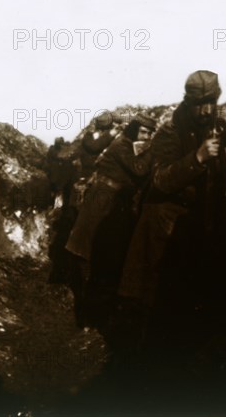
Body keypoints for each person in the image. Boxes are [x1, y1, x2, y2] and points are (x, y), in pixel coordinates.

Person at [119, 71, 226, 371]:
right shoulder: (170, 132)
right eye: (200, 104)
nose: (206, 110)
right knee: (156, 304)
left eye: (211, 103)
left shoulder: (215, 125)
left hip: (198, 225)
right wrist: (197, 159)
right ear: (188, 102)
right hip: (165, 229)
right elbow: (160, 181)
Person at [65, 114, 156, 327]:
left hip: (114, 201)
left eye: (150, 134)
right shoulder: (121, 144)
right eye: (143, 132)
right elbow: (139, 169)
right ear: (134, 131)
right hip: (101, 199)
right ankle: (85, 313)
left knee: (107, 257)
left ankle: (97, 310)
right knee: (89, 252)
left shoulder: (132, 146)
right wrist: (154, 150)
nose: (147, 137)